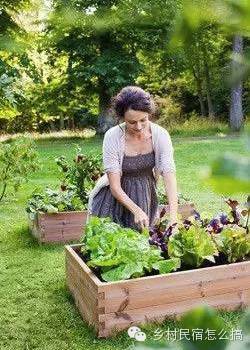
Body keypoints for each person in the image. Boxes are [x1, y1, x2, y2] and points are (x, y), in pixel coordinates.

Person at [88, 86, 178, 230]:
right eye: (132, 122)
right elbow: (115, 186)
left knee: (141, 244)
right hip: (114, 199)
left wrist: (174, 218)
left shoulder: (160, 135)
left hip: (145, 194)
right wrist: (135, 210)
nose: (139, 126)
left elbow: (169, 175)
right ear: (122, 118)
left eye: (143, 120)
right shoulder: (112, 136)